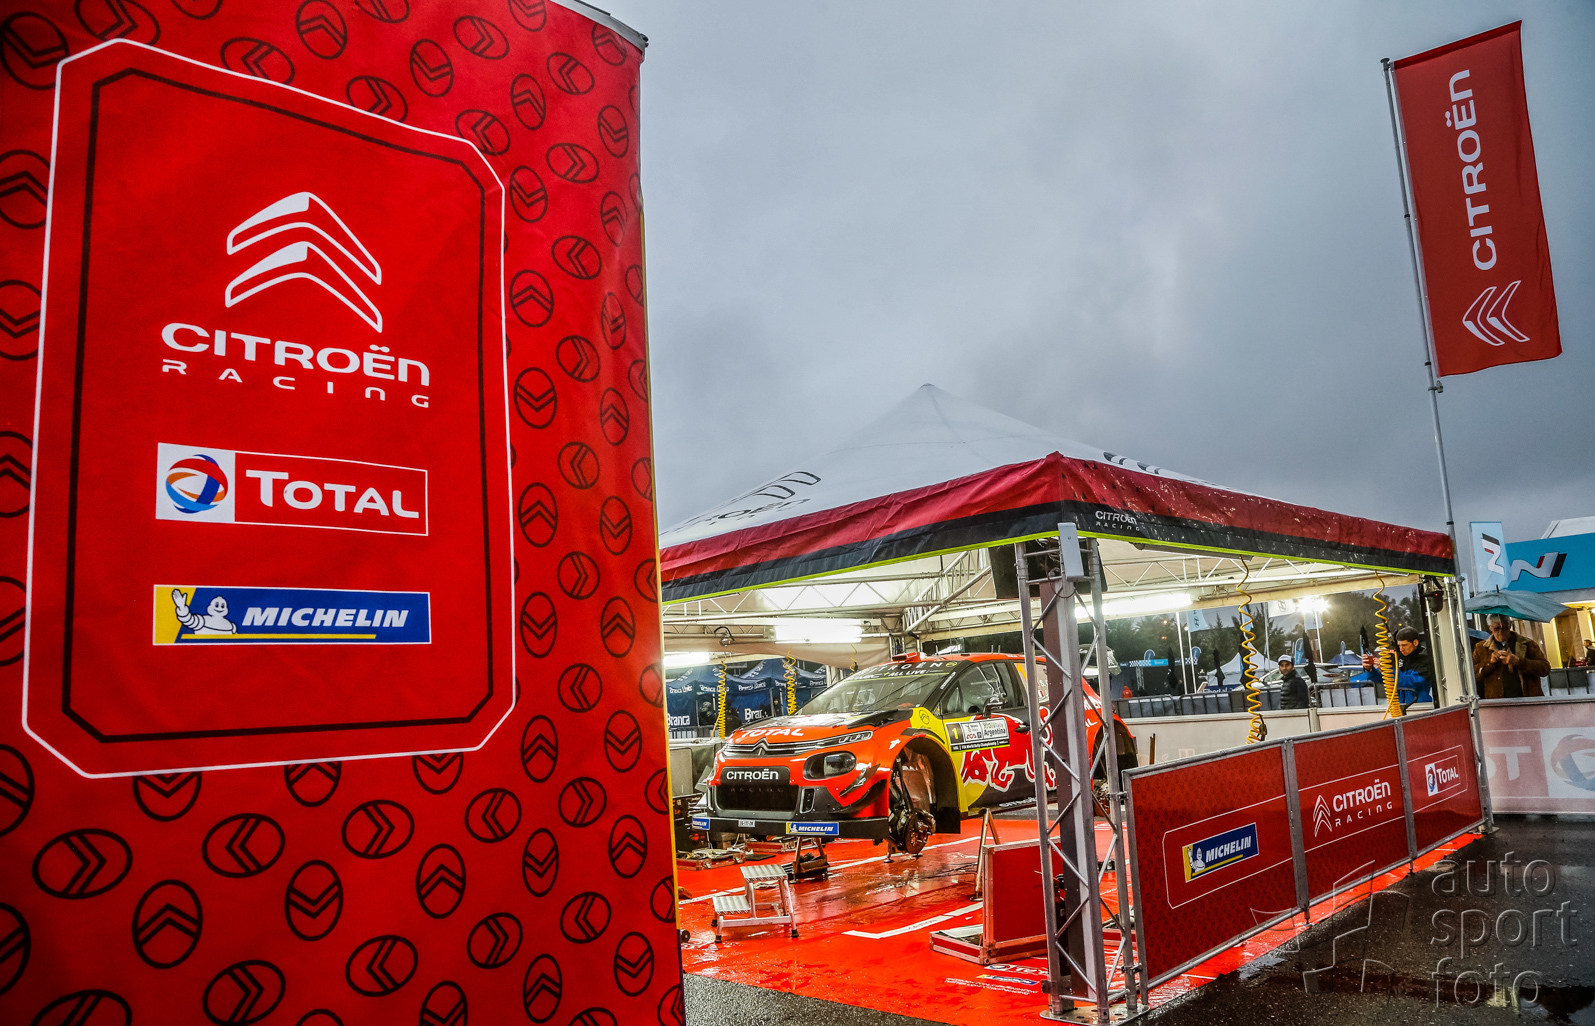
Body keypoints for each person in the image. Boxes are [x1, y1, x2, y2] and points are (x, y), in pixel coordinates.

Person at [1471, 613, 1551, 699]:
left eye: (1505, 627)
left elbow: (1545, 669)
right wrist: (1489, 663)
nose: (1501, 631)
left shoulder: (1528, 644)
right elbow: (1472, 675)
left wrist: (1519, 662)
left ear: (1510, 625)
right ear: (1490, 627)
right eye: (1497, 628)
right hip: (1496, 702)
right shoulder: (1481, 648)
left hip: (1527, 700)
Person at [1359, 627, 1436, 705]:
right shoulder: (1398, 657)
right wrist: (1370, 669)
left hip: (1419, 704)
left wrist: (1388, 670)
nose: (1401, 649)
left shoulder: (1425, 660)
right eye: (1399, 646)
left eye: (1404, 645)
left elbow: (1412, 682)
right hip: (1399, 704)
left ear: (1415, 643)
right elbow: (1385, 679)